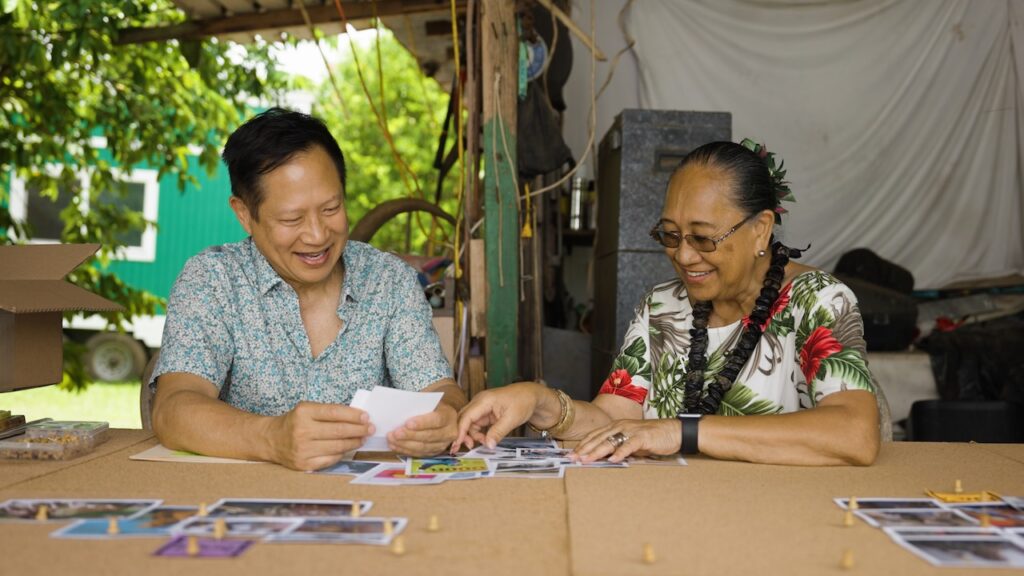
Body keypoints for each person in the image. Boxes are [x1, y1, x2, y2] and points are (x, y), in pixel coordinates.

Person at [455, 140, 888, 466]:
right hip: (671, 517)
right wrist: (538, 400)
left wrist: (681, 432)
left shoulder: (818, 301)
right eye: (670, 235)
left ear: (760, 229)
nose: (682, 256)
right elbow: (613, 421)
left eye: (703, 237)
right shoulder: (662, 307)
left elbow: (854, 434)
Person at [150, 108, 464, 471]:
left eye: (331, 208)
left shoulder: (389, 280)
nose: (317, 236)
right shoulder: (213, 281)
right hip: (245, 508)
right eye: (291, 219)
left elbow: (440, 391)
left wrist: (445, 417)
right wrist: (272, 438)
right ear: (244, 213)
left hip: (373, 506)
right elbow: (173, 409)